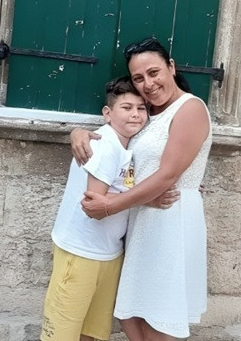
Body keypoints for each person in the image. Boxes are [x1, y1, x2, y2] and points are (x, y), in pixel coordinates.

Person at [72, 37, 212, 341]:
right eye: (138, 78)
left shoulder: (190, 109)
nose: (147, 84)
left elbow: (167, 175)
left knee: (158, 319)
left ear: (171, 67)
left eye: (154, 72)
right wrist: (79, 132)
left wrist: (109, 205)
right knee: (131, 314)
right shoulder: (148, 113)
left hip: (171, 220)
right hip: (142, 219)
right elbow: (116, 134)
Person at [42, 75, 164, 341]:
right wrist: (147, 198)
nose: (135, 114)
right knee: (62, 332)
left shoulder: (127, 145)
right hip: (81, 251)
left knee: (91, 331)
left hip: (108, 253)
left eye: (141, 108)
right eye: (127, 107)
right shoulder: (106, 145)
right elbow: (94, 205)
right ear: (108, 113)